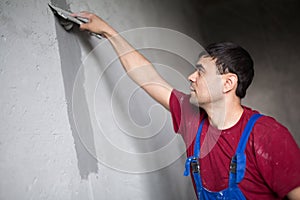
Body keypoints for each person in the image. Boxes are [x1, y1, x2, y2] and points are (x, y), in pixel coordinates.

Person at [71, 11, 300, 199]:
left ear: (228, 83)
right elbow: (147, 77)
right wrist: (108, 31)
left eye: (201, 71)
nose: (191, 77)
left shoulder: (267, 135)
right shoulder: (192, 120)